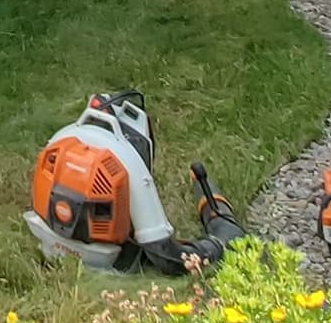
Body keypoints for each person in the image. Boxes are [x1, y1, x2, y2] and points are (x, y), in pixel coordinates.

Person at [25, 90, 239, 274]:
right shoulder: (130, 168)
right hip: (103, 255)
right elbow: (165, 254)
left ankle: (205, 190)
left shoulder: (61, 141)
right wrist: (218, 245)